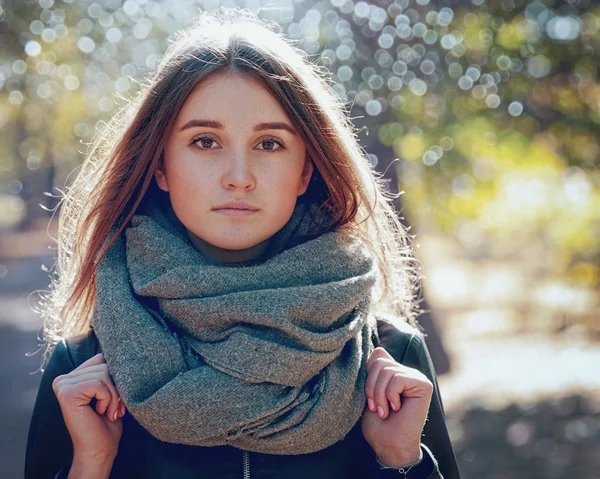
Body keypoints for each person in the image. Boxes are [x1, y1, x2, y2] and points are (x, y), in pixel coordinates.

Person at [24, 8, 460, 479]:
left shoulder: (391, 362)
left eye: (269, 144)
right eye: (205, 142)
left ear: (305, 170)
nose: (239, 177)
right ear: (160, 167)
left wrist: (401, 463)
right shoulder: (81, 373)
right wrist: (90, 465)